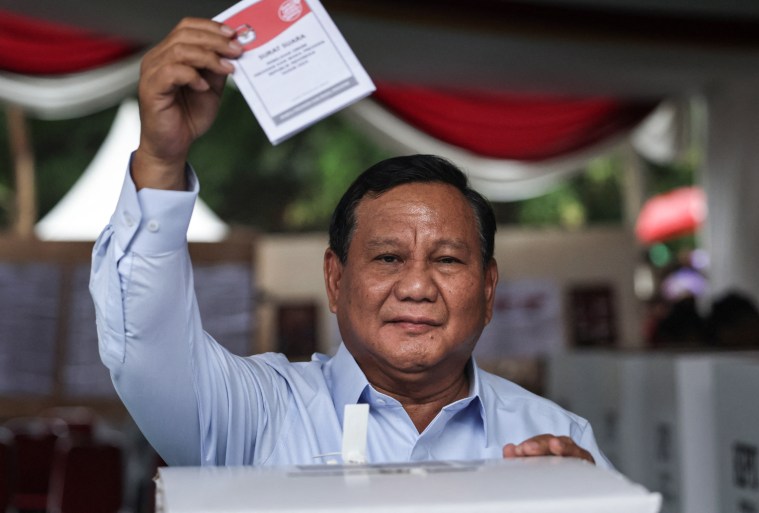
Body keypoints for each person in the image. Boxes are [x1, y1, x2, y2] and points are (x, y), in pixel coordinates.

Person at [90, 18, 610, 468]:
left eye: (447, 259)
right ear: (335, 280)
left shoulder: (554, 442)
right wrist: (160, 162)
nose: (416, 286)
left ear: (489, 289)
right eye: (388, 258)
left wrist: (590, 498)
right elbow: (146, 352)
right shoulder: (257, 416)